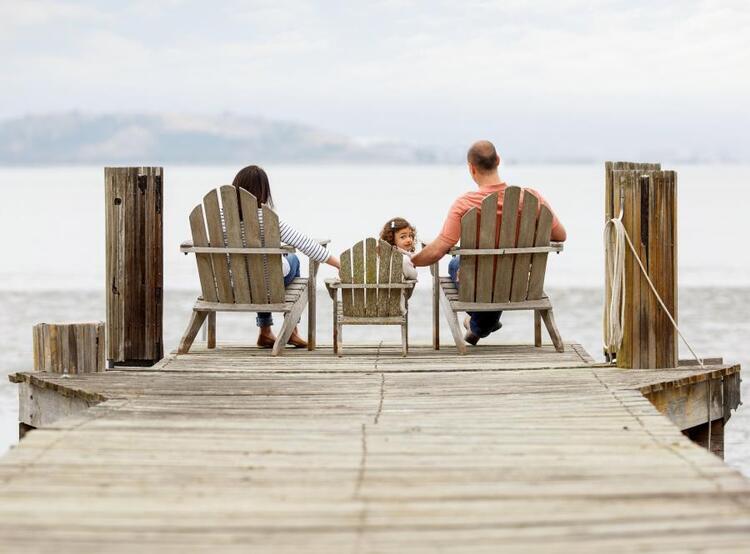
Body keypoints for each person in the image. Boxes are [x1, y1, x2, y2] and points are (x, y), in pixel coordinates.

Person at [411, 140, 566, 345]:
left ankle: (478, 325)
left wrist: (410, 260)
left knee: (455, 263)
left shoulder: (465, 204)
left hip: (477, 286)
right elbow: (560, 235)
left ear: (471, 168)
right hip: (516, 282)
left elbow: (439, 248)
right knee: (498, 272)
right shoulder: (531, 198)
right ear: (498, 161)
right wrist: (523, 234)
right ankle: (479, 326)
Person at [231, 165, 340, 349]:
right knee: (292, 260)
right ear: (263, 191)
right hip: (265, 284)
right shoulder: (267, 219)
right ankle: (293, 332)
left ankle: (265, 332)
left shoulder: (221, 219)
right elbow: (305, 243)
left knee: (257, 268)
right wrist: (338, 264)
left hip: (233, 284)